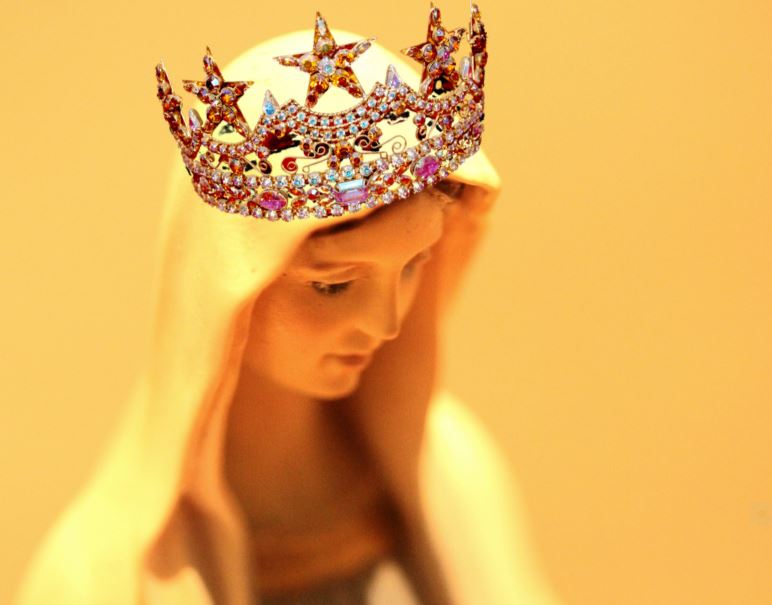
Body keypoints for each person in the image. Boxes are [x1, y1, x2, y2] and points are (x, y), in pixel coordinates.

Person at [15, 12, 562, 605]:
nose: (385, 324)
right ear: (231, 285)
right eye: (333, 286)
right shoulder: (97, 579)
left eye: (411, 267)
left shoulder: (456, 472)